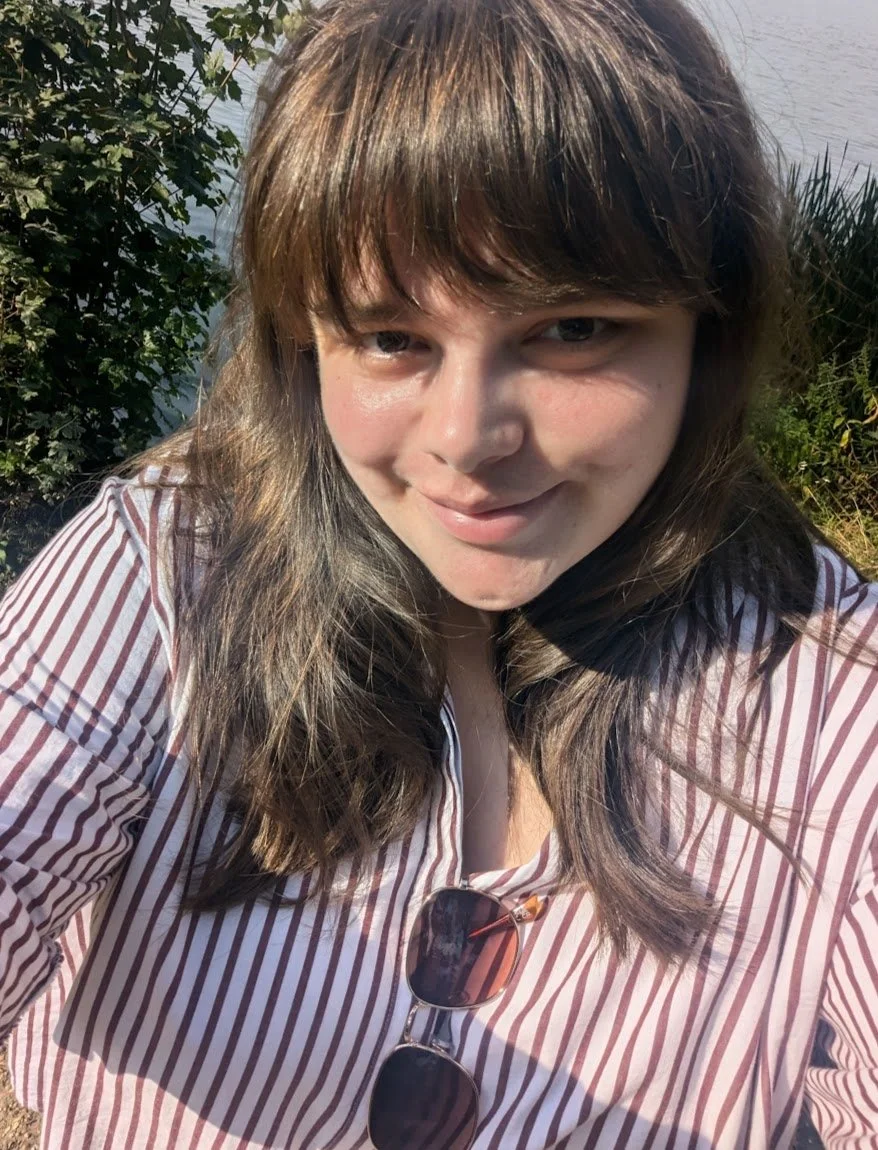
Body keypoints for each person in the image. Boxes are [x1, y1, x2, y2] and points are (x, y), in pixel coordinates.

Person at [1, 0, 876, 1146]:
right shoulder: (165, 573)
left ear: (704, 336)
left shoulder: (829, 692)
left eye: (571, 329)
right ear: (301, 341)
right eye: (389, 337)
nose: (466, 438)